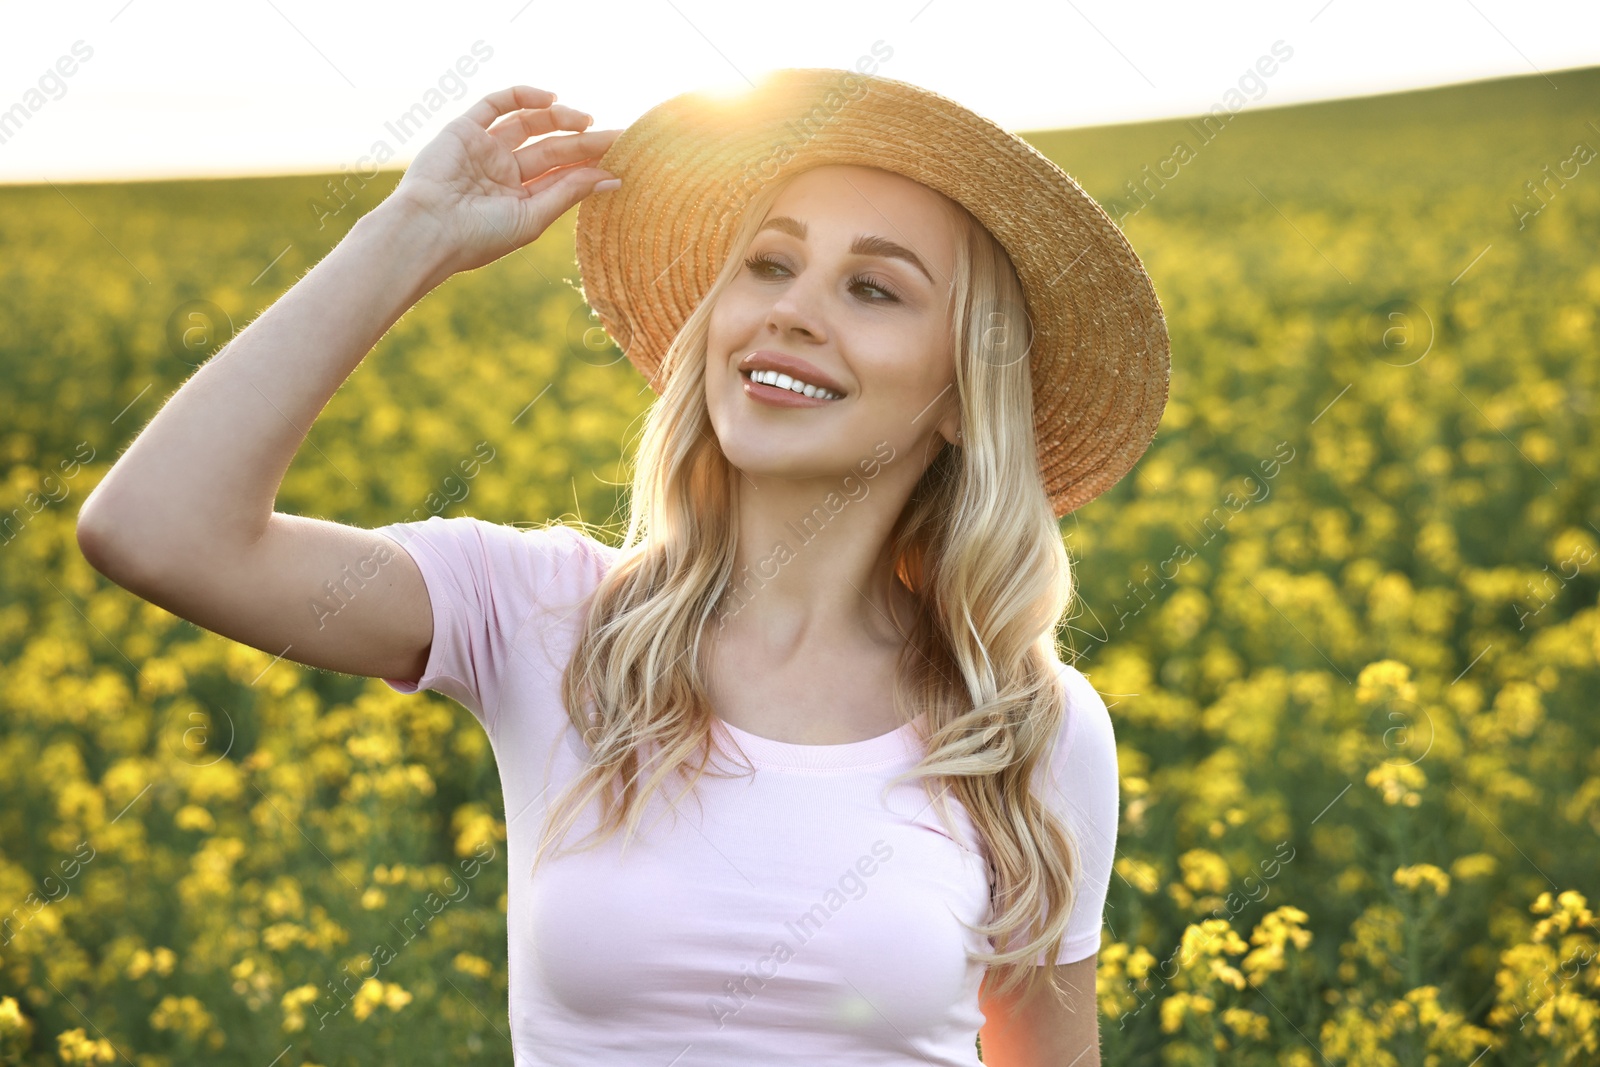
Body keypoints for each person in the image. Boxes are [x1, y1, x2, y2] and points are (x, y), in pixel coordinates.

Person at [77, 68, 1169, 1067]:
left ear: (959, 399)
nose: (791, 307)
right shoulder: (544, 614)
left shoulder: (1026, 722)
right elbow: (160, 530)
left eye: (873, 289)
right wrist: (411, 232)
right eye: (769, 264)